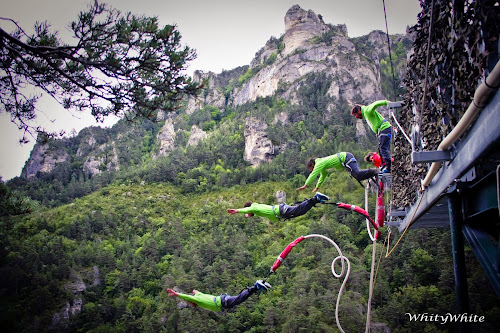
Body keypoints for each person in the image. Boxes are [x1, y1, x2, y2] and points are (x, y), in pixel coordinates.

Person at [166, 280, 271, 312]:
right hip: (223, 299)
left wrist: (176, 294)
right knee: (240, 298)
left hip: (223, 302)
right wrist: (195, 291)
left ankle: (256, 287)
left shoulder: (197, 300)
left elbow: (188, 297)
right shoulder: (200, 296)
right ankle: (257, 287)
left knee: (240, 299)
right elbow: (197, 292)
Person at [296, 152, 378, 192]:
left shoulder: (319, 163)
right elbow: (323, 176)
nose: (313, 170)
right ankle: (373, 174)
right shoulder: (323, 167)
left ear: (313, 165)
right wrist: (318, 187)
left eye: (312, 168)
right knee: (358, 176)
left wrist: (306, 185)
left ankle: (375, 171)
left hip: (346, 158)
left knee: (357, 173)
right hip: (346, 161)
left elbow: (313, 174)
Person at [227, 192, 330, 221]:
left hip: (280, 211)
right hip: (281, 210)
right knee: (300, 211)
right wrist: (249, 215)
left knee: (298, 210)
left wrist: (237, 211)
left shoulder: (254, 208)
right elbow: (252, 212)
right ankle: (316, 200)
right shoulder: (257, 208)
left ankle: (315, 198)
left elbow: (250, 209)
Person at [351, 100, 392, 174]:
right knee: (381, 148)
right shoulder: (365, 113)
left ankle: (389, 167)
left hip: (384, 128)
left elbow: (375, 104)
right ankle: (384, 165)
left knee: (383, 148)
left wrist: (387, 102)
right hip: (382, 130)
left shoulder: (367, 111)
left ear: (358, 111)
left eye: (355, 115)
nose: (356, 117)